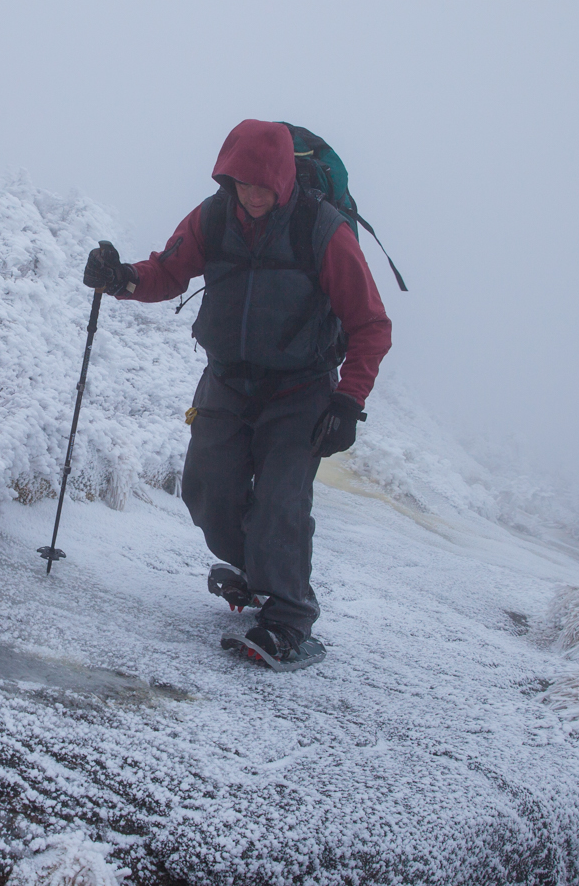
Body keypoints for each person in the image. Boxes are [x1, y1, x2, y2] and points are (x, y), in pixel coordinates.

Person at [83, 119, 392, 671]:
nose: (250, 195)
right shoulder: (214, 216)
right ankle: (256, 572)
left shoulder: (321, 230)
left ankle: (292, 619)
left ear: (283, 178)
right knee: (208, 493)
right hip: (227, 379)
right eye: (239, 183)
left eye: (261, 185)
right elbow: (169, 272)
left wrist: (348, 403)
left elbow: (370, 323)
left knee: (280, 503)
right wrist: (122, 277)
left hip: (301, 390)